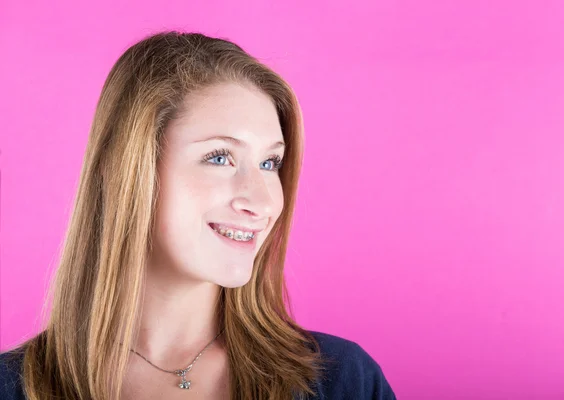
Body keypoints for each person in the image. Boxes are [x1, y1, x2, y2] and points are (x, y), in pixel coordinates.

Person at [0, 31, 396, 399]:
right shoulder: (12, 387)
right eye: (220, 157)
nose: (260, 201)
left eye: (270, 162)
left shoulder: (343, 380)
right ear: (127, 171)